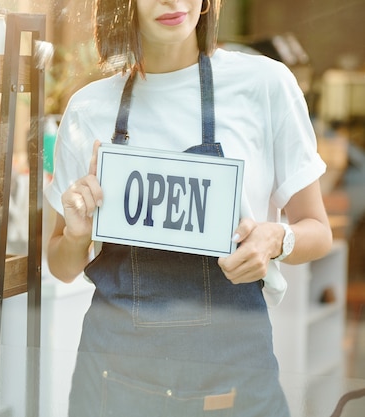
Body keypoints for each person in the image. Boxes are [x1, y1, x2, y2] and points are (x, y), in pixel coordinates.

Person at [44, 0, 333, 416]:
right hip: (114, 381)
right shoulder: (89, 109)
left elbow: (317, 230)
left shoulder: (265, 84)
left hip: (233, 382)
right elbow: (61, 264)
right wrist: (76, 233)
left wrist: (277, 239)